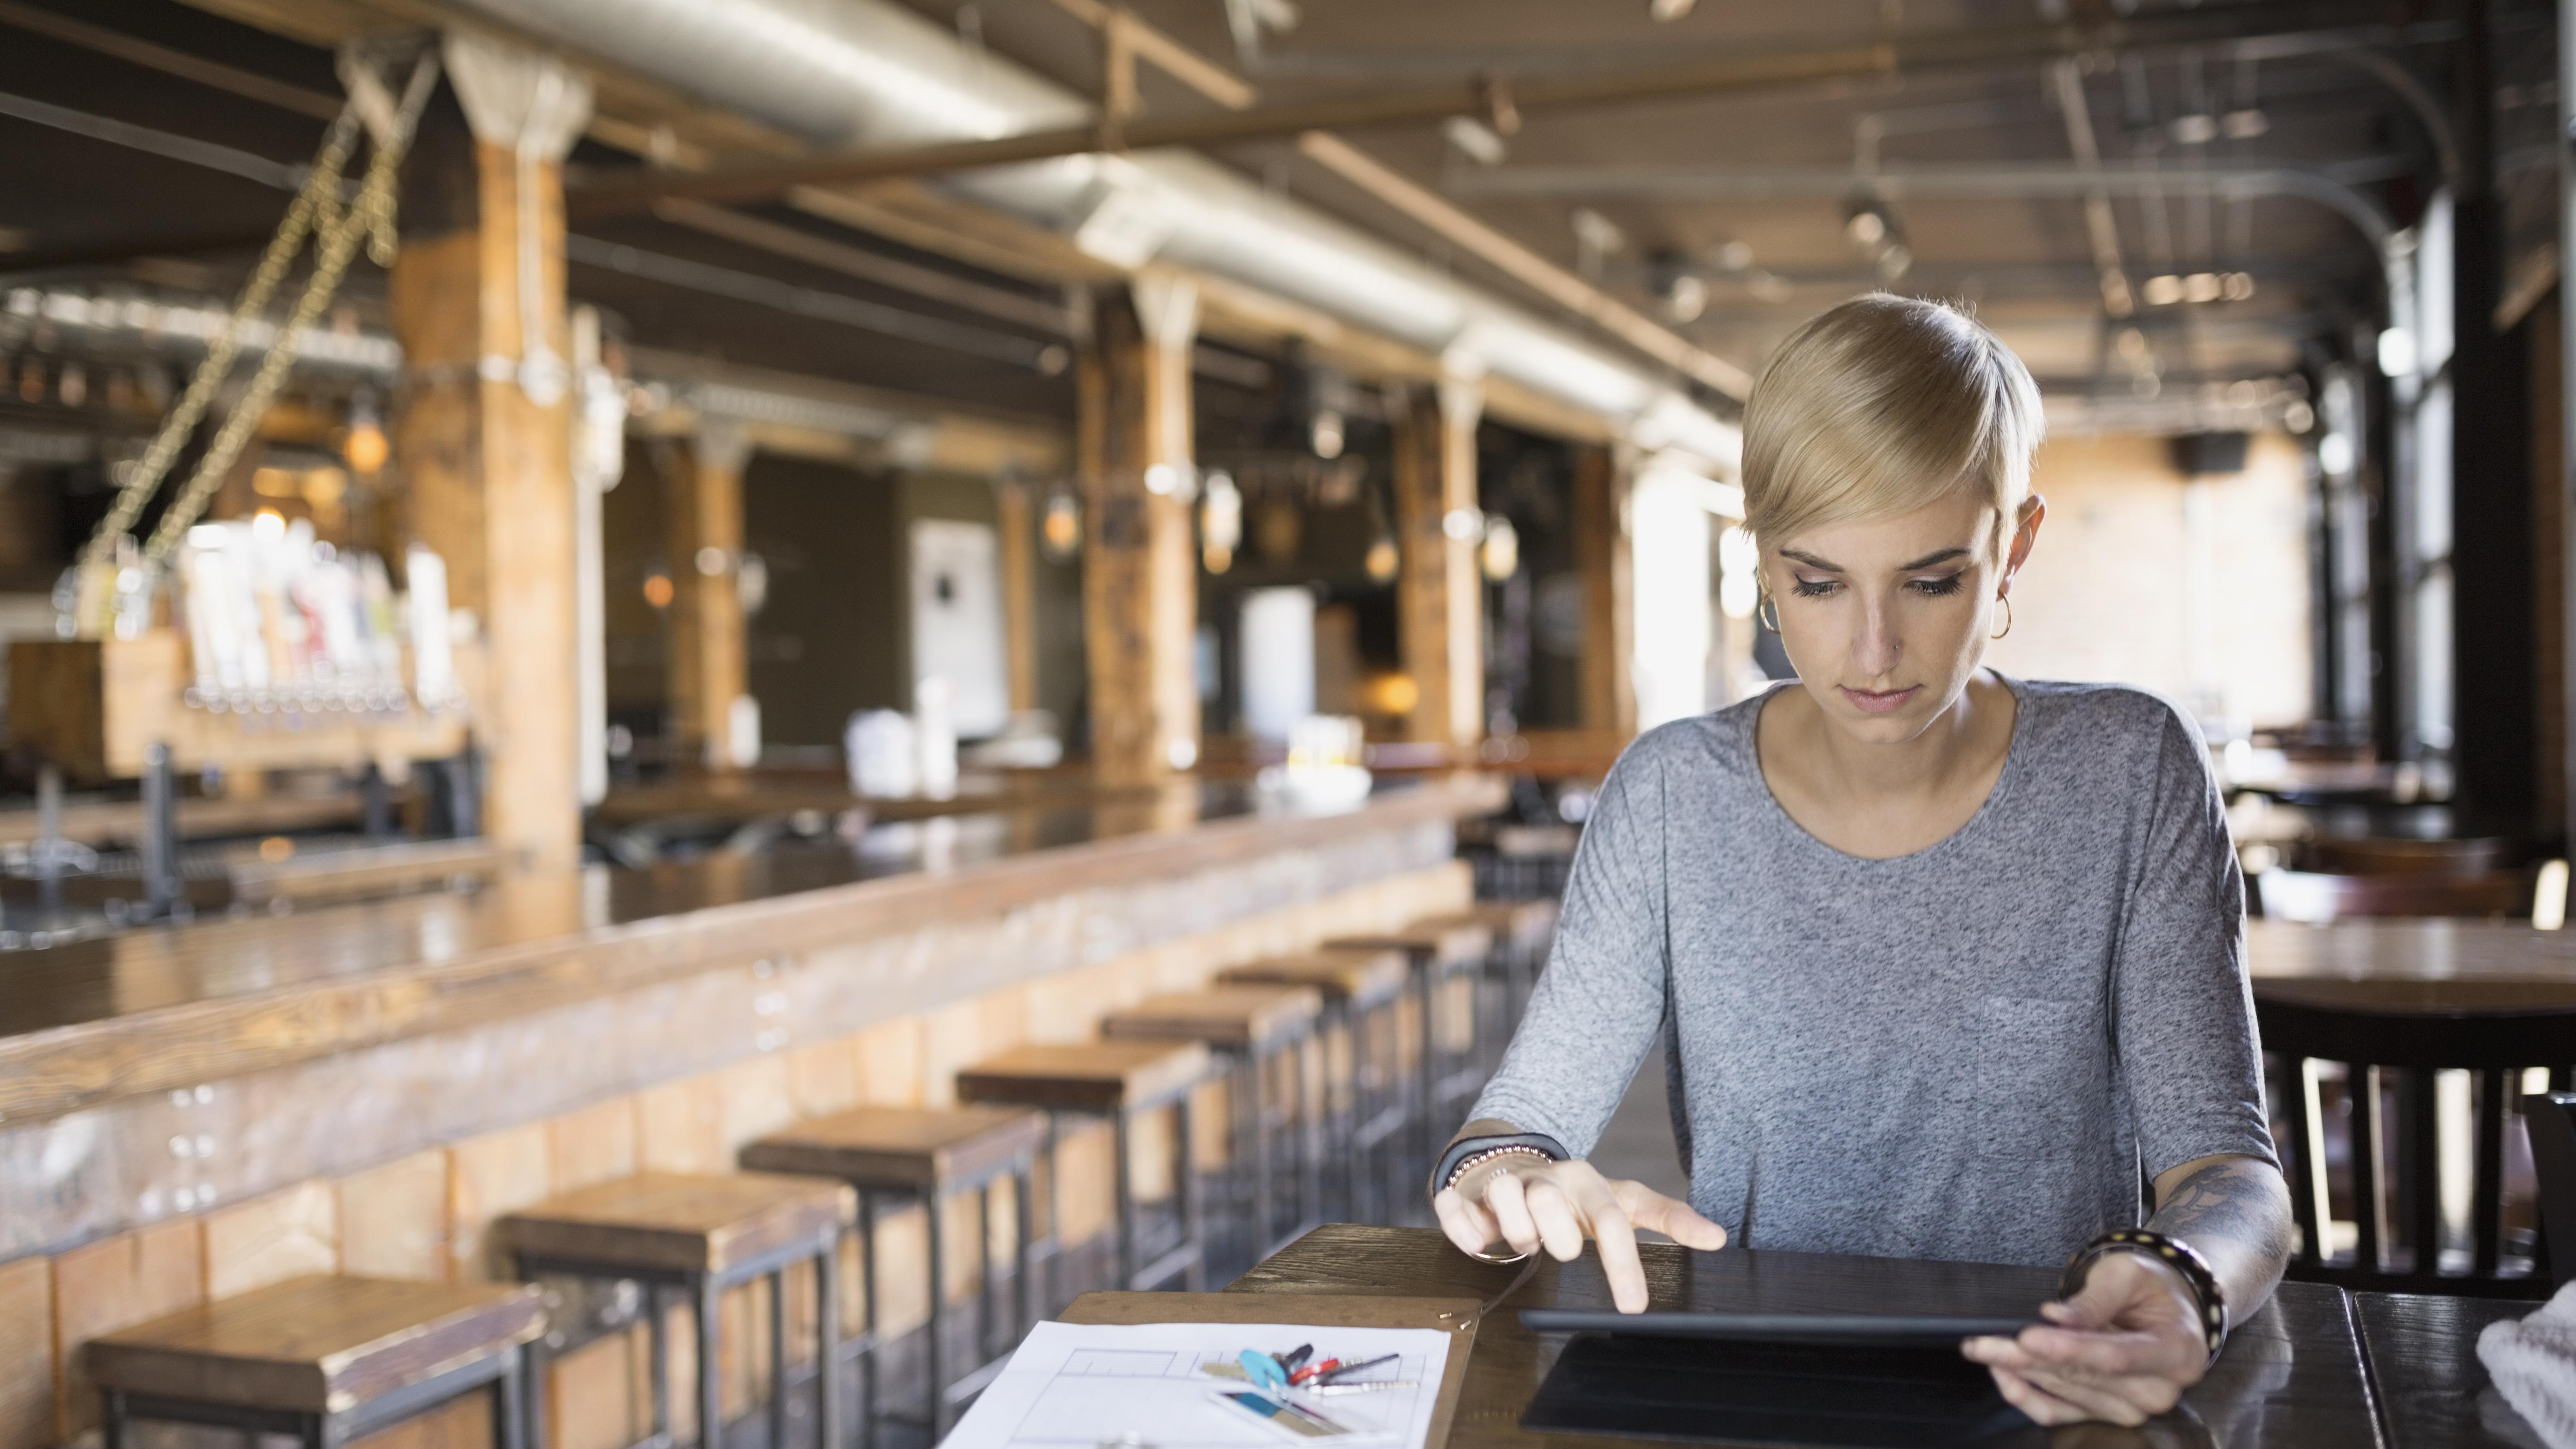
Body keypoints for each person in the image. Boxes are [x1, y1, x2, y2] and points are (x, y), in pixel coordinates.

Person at [1429, 293, 2294, 1428]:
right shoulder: (1672, 796)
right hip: (1761, 1392)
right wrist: (1508, 1182)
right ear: (1763, 566)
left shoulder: (2130, 771)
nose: (1872, 650)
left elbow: (2225, 1169)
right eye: (1819, 583)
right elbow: (1512, 1129)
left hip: (2056, 1383)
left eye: (1932, 581)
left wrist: (2185, 1277)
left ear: (2013, 546)